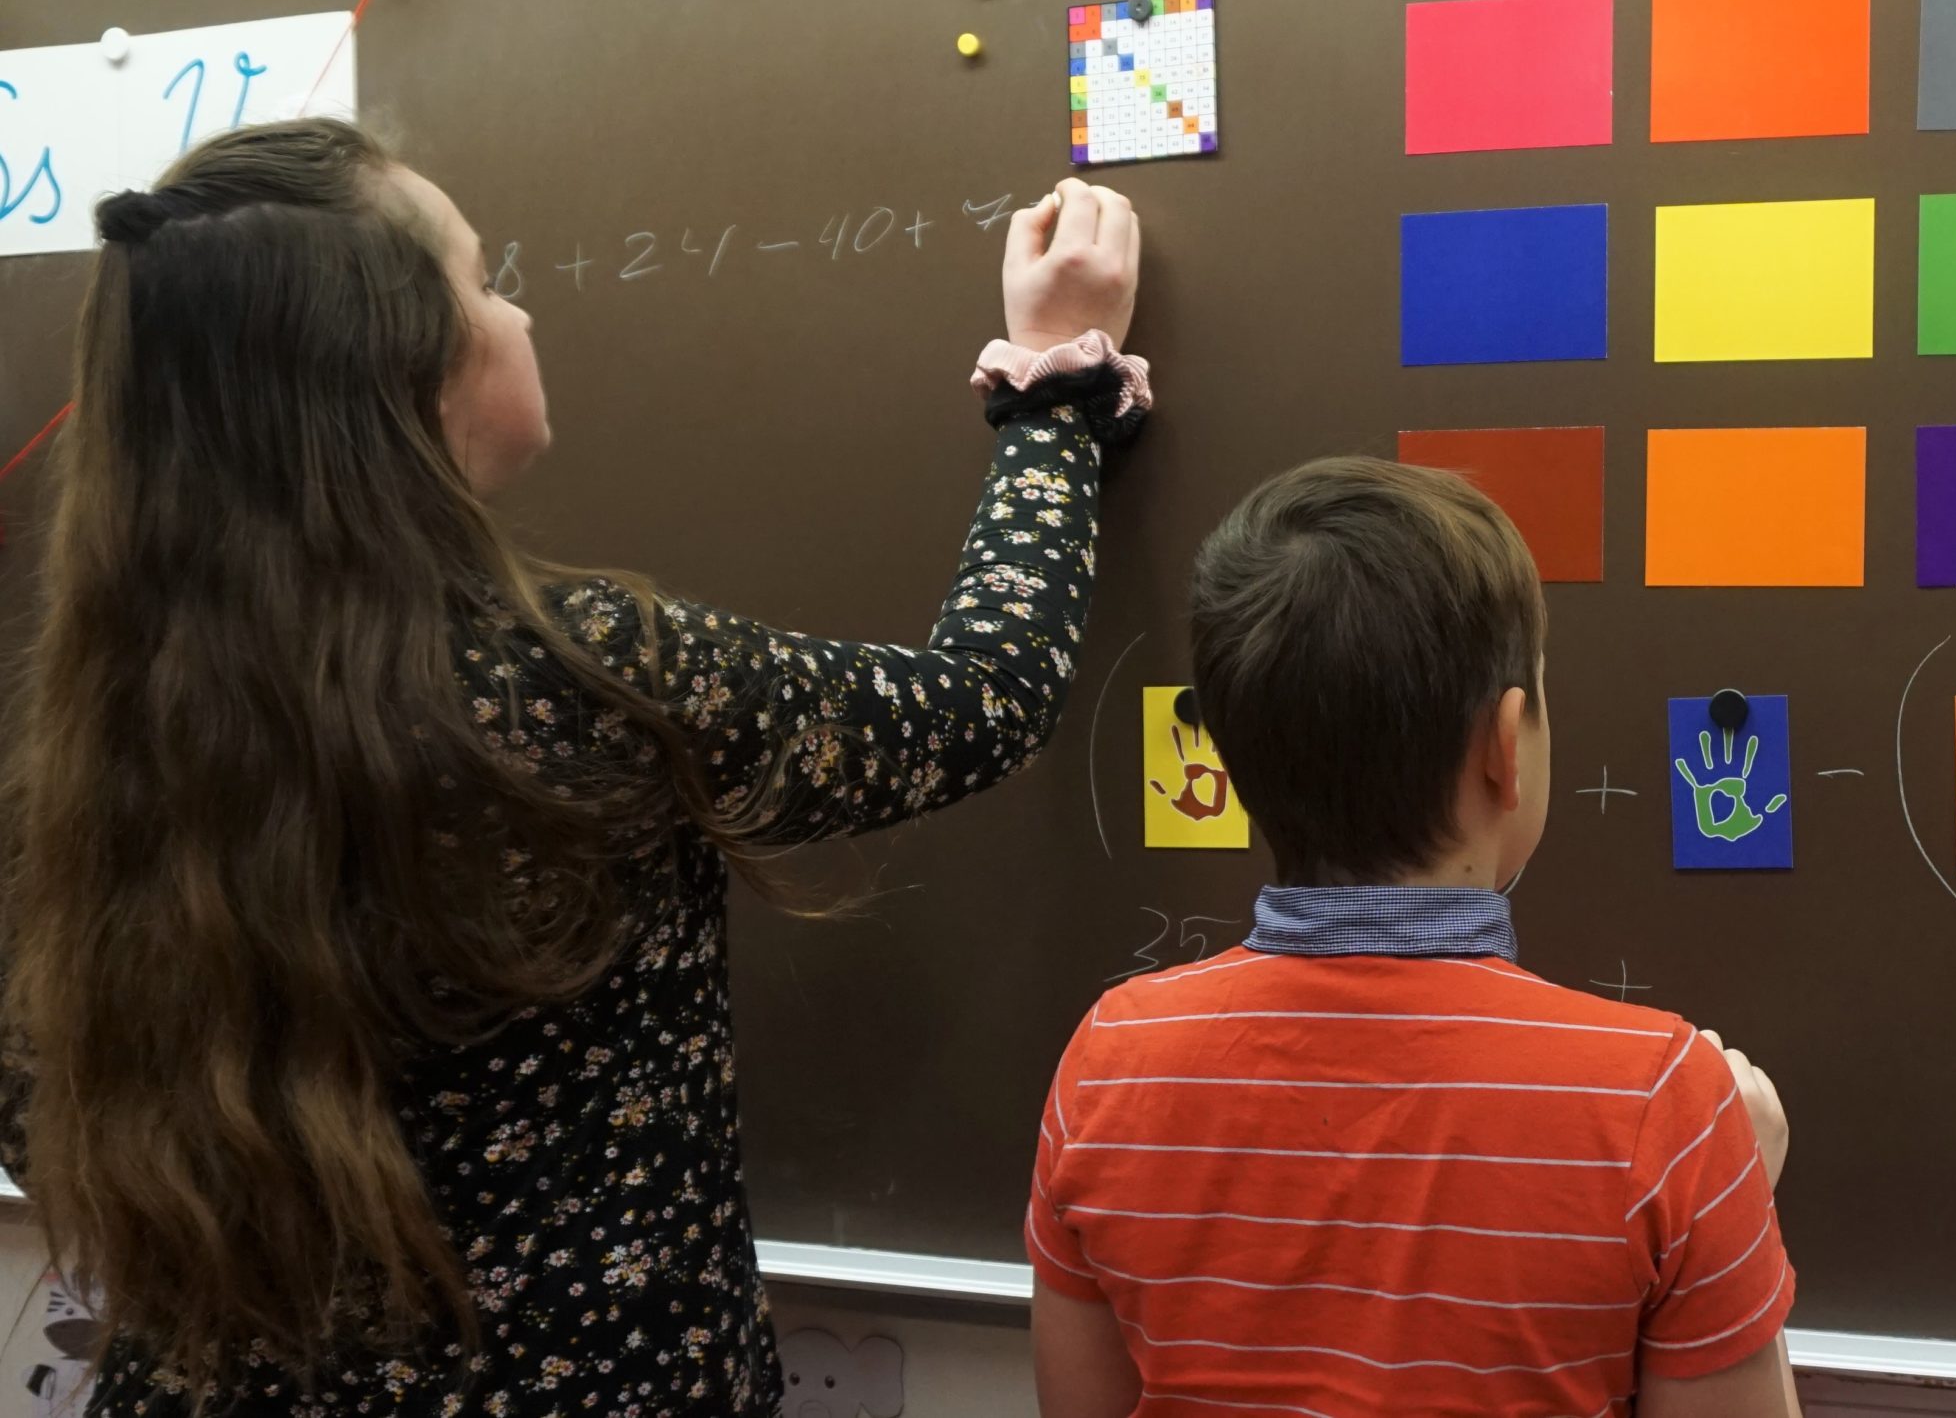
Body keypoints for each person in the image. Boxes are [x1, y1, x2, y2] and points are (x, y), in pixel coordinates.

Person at [0, 119, 1147, 1415]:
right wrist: (1055, 387)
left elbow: (42, 1121)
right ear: (404, 369)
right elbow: (980, 701)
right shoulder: (578, 680)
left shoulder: (91, 751)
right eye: (485, 280)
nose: (521, 311)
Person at [1028, 458, 1799, 1418]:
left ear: (1227, 756)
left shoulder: (1109, 1062)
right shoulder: (1666, 1105)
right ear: (1505, 745)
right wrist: (1735, 1193)